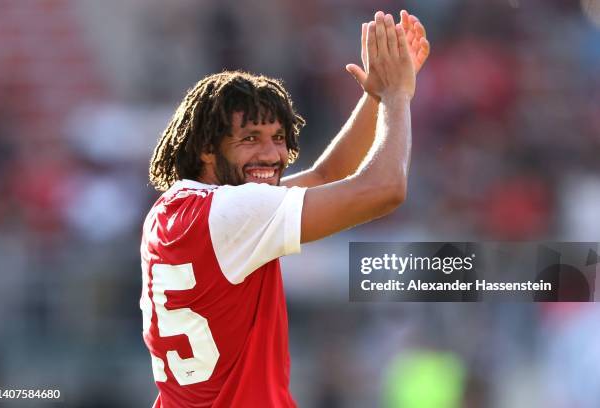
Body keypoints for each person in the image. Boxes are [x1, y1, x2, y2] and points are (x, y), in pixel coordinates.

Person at [140, 9, 429, 408]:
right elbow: (385, 190)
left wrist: (374, 95)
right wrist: (399, 95)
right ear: (206, 148)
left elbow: (326, 175)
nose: (272, 154)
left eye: (278, 137)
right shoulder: (234, 212)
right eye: (250, 138)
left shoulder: (172, 210)